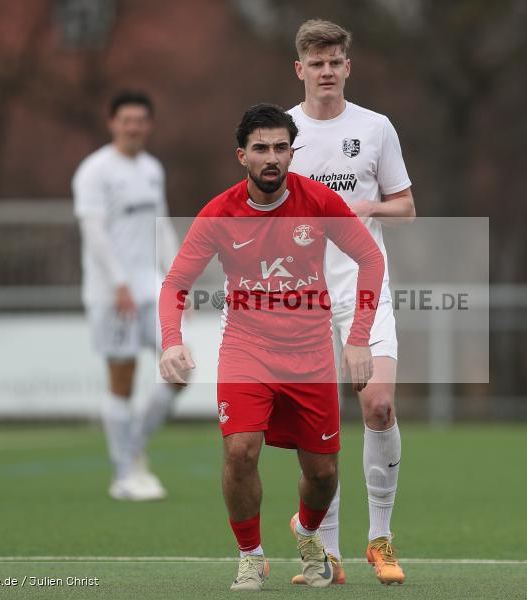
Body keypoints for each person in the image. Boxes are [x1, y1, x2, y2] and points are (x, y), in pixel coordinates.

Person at [158, 103, 384, 591]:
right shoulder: (219, 213)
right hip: (247, 348)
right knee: (240, 450)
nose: (272, 158)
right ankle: (250, 555)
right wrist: (170, 342)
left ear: (292, 152)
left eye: (282, 147)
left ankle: (306, 532)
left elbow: (369, 258)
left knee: (322, 473)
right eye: (261, 148)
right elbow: (175, 281)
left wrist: (359, 337)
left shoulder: (318, 201)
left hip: (311, 354)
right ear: (242, 155)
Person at [286, 19, 415, 585]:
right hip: (302, 299)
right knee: (320, 428)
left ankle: (380, 539)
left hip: (366, 288)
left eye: (336, 61)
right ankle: (328, 551)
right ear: (301, 70)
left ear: (347, 67)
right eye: (317, 63)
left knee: (379, 406)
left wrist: (364, 210)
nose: (327, 71)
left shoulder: (376, 127)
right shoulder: (282, 130)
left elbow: (406, 206)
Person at [73, 90, 180, 501]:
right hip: (110, 292)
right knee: (123, 379)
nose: (133, 127)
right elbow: (94, 231)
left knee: (180, 368)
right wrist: (118, 282)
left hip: (151, 286)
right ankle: (123, 474)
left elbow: (163, 223)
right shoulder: (94, 171)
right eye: (126, 120)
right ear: (112, 122)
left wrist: (176, 277)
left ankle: (133, 449)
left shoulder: (152, 168)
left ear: (149, 125)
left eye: (140, 120)